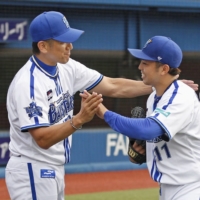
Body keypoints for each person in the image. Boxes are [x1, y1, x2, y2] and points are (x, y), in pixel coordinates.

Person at [5, 11, 167, 200]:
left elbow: (113, 86)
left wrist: (160, 86)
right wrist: (80, 119)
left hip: (51, 169)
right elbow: (42, 139)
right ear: (43, 46)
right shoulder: (29, 84)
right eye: (63, 41)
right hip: (32, 168)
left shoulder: (66, 67)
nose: (70, 46)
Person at [91, 36, 200, 200]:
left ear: (164, 69)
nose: (140, 66)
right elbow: (154, 135)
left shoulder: (181, 96)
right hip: (170, 187)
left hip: (191, 187)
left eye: (146, 63)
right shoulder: (154, 96)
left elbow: (149, 129)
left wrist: (105, 113)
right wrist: (139, 151)